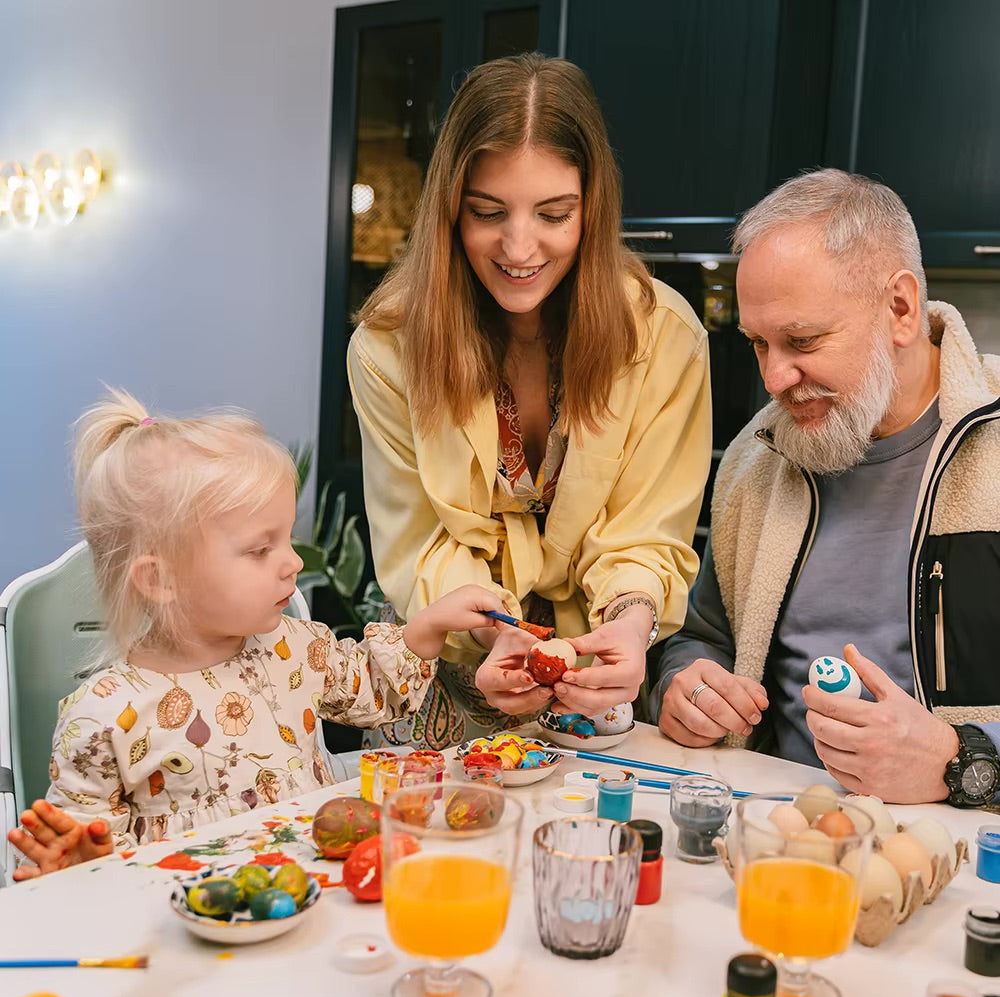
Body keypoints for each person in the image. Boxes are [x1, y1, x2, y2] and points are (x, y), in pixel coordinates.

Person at [348, 53, 712, 749]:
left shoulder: (665, 339)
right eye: (487, 213)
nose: (519, 247)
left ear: (593, 207)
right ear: (450, 209)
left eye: (553, 214)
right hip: (444, 681)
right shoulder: (389, 346)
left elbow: (647, 534)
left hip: (600, 686)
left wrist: (632, 623)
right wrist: (492, 631)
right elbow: (418, 544)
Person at [7, 389, 505, 879]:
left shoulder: (295, 648)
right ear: (160, 580)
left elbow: (374, 688)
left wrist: (429, 623)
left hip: (313, 903)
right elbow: (77, 854)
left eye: (286, 538)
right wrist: (75, 869)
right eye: (259, 550)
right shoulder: (103, 716)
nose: (293, 562)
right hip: (194, 939)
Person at [652, 168, 1000, 806]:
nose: (775, 378)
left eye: (802, 341)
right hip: (771, 835)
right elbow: (703, 635)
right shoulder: (757, 458)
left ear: (899, 308)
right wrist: (683, 683)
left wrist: (961, 760)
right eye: (759, 344)